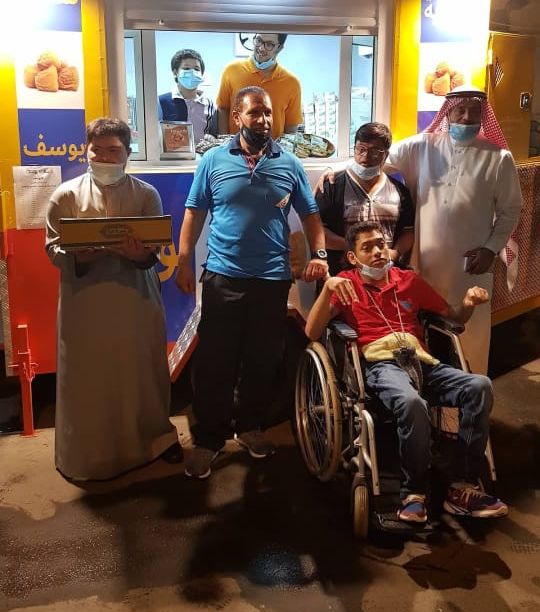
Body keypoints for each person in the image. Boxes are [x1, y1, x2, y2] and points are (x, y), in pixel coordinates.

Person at [305, 221, 509, 524]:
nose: (378, 251)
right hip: (381, 366)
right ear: (352, 257)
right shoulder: (346, 284)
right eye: (367, 247)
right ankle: (413, 494)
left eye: (381, 244)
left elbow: (453, 316)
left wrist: (467, 303)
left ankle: (463, 487)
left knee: (479, 386)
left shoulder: (409, 281)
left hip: (422, 362)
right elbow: (312, 332)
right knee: (412, 402)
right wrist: (327, 289)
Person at [175, 85, 328, 479]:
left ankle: (249, 427)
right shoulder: (213, 160)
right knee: (215, 361)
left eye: (268, 112)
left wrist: (320, 254)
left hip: (272, 280)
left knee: (263, 360)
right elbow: (194, 212)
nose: (263, 120)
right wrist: (184, 262)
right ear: (237, 117)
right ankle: (210, 439)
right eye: (255, 112)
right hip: (223, 276)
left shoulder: (289, 163)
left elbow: (310, 215)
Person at [315, 87, 523, 373]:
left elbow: (511, 210)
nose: (466, 117)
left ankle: (468, 389)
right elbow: (376, 156)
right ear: (447, 112)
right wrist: (334, 168)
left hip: (469, 265)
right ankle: (428, 387)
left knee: (471, 331)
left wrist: (490, 248)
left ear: (483, 115)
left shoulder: (498, 158)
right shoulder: (423, 146)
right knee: (420, 328)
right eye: (460, 110)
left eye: (474, 112)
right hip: (423, 266)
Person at [45, 117, 182, 483]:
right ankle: (89, 456)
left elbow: (155, 250)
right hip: (85, 305)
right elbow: (53, 248)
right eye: (98, 150)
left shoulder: (145, 195)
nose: (105, 158)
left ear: (127, 153)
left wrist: (139, 254)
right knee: (88, 378)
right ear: (86, 151)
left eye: (113, 150)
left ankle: (154, 440)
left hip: (135, 301)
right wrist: (78, 256)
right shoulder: (65, 196)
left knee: (141, 372)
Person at [315, 121, 414, 276]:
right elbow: (316, 230)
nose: (365, 157)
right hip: (342, 274)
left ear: (385, 155)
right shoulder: (332, 186)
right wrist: (355, 247)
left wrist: (395, 252)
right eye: (360, 149)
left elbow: (408, 232)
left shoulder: (399, 191)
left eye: (374, 151)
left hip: (386, 275)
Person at [216, 33, 303, 139]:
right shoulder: (231, 71)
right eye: (259, 41)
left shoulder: (291, 83)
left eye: (269, 44)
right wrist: (224, 143)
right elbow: (223, 109)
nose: (261, 48)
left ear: (279, 48)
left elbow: (291, 126)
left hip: (272, 147)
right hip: (236, 147)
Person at [158, 48, 217, 144]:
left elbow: (213, 134)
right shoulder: (161, 102)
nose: (192, 72)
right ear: (175, 72)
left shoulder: (209, 105)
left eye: (196, 69)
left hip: (202, 153)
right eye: (186, 68)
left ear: (202, 74)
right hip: (172, 153)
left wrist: (211, 138)